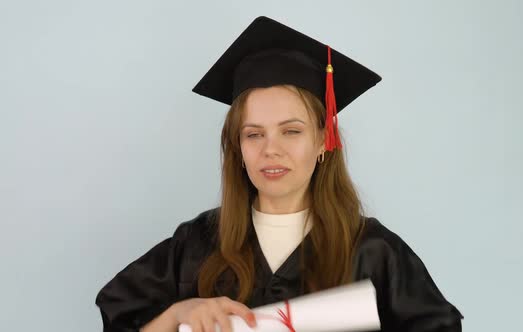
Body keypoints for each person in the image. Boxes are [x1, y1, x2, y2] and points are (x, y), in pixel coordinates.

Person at [95, 16, 463, 332]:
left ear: (323, 140)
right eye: (254, 134)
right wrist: (179, 314)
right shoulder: (195, 245)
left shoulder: (373, 251)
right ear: (237, 149)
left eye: (291, 131)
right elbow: (121, 318)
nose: (271, 149)